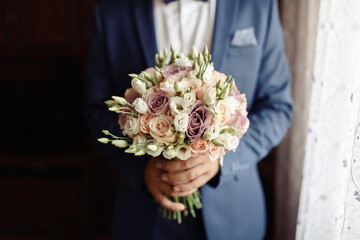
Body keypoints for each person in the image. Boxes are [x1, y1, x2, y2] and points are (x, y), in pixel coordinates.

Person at [85, 0, 293, 239]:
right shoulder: (111, 11)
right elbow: (97, 110)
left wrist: (220, 158)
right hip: (144, 214)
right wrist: (142, 168)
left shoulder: (258, 7)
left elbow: (278, 107)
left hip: (234, 211)